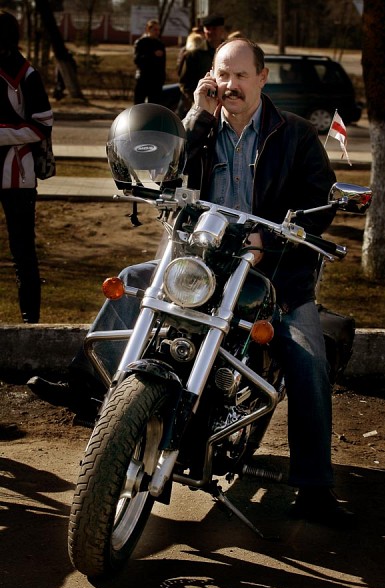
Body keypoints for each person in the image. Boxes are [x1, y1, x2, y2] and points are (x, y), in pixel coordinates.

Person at [28, 38, 355, 529]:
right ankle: (85, 389)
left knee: (307, 357)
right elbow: (167, 174)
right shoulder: (200, 127)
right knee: (131, 282)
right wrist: (198, 115)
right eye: (223, 74)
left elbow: (318, 204)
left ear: (262, 78)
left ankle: (314, 487)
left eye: (240, 75)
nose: (230, 85)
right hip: (198, 261)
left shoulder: (295, 134)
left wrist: (269, 239)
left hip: (273, 272)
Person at [0, 10, 53, 323]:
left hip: (18, 177)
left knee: (23, 254)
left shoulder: (25, 74)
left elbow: (43, 124)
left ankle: (30, 322)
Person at [178, 14, 225, 116]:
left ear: (222, 30)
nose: (210, 32)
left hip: (225, 106)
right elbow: (185, 84)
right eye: (208, 28)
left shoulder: (230, 52)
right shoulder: (194, 54)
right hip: (200, 107)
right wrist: (197, 101)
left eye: (214, 29)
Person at [133, 19, 166, 105]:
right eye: (155, 30)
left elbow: (163, 64)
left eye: (158, 30)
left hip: (156, 80)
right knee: (139, 105)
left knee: (154, 106)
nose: (157, 32)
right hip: (143, 78)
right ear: (148, 29)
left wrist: (162, 78)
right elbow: (137, 60)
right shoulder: (141, 42)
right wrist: (152, 54)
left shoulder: (160, 44)